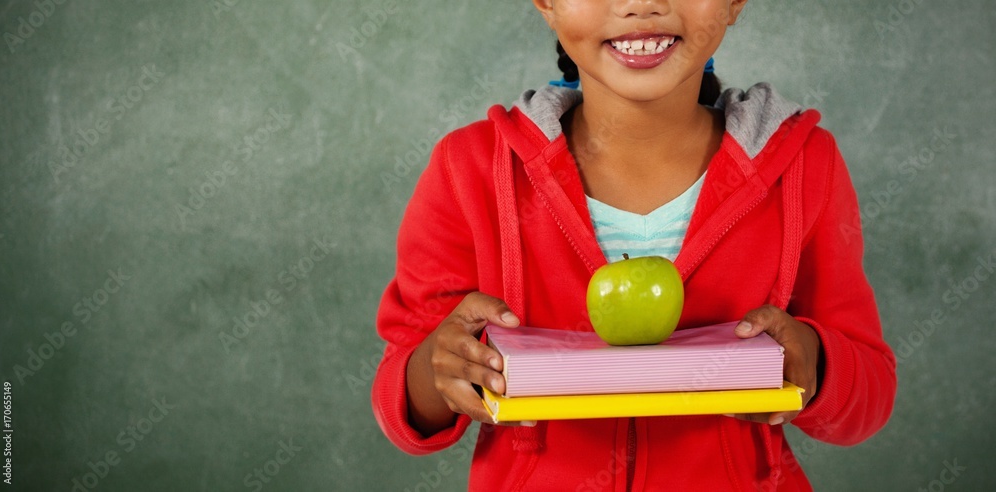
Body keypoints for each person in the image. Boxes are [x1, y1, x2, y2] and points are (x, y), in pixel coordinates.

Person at [372, 0, 897, 490]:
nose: (642, 3)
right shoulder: (469, 170)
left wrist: (817, 362)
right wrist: (438, 369)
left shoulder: (806, 167)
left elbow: (869, 396)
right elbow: (401, 397)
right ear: (547, 4)